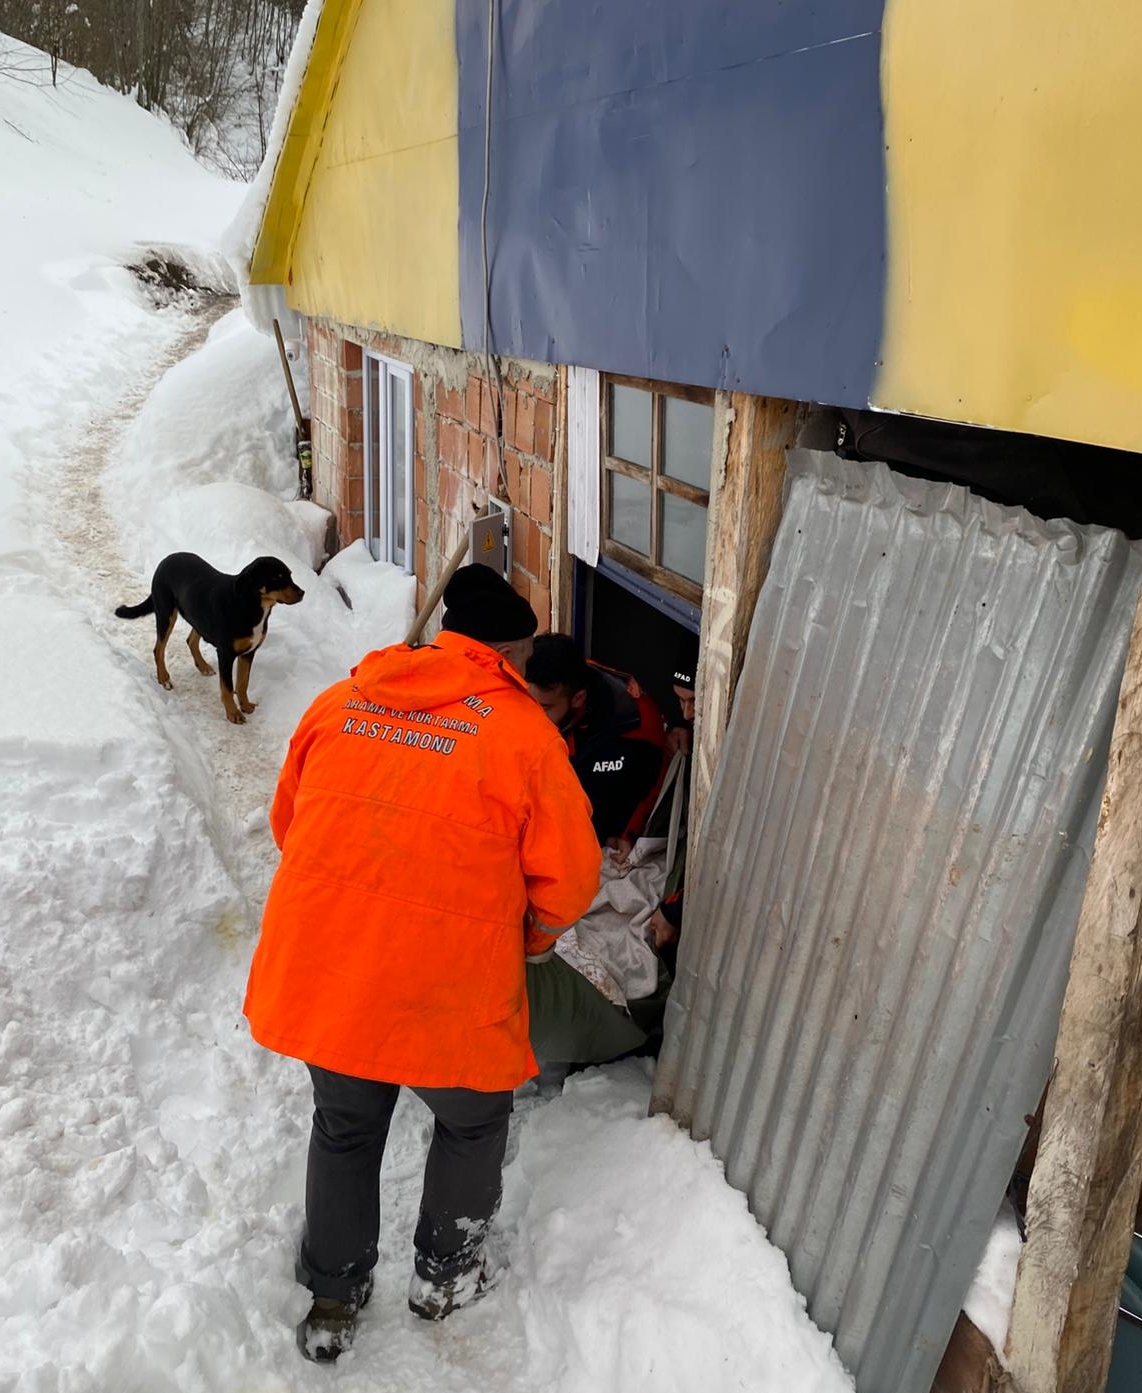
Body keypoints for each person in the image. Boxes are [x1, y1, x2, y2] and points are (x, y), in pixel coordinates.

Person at [243, 565, 601, 1362]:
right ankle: (443, 1274)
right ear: (507, 652)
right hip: (451, 982)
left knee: (343, 1126)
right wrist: (533, 935)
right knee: (471, 1120)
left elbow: (287, 822)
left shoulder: (340, 703)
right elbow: (572, 883)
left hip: (332, 969)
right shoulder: (523, 736)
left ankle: (333, 1295)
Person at [525, 634, 667, 849]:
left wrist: (628, 833)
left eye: (544, 708)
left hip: (595, 835)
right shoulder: (526, 690)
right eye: (526, 701)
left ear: (578, 699)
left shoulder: (635, 719)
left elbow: (654, 780)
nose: (531, 716)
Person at [643, 630, 699, 974]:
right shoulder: (687, 723)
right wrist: (678, 722)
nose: (689, 713)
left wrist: (675, 911)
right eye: (680, 702)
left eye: (696, 701)